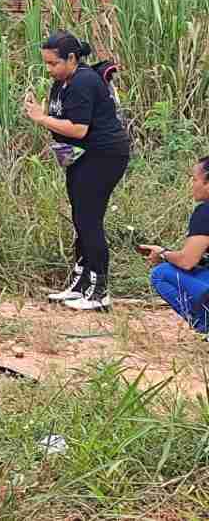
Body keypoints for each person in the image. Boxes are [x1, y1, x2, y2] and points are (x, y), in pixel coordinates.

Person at [23, 31, 130, 311]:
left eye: (53, 63)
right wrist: (44, 116)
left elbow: (79, 129)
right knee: (80, 218)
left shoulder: (84, 81)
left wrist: (41, 118)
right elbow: (61, 123)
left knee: (89, 219)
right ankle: (81, 283)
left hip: (103, 155)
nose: (49, 69)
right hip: (80, 157)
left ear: (71, 58)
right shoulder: (62, 82)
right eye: (46, 63)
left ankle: (100, 291)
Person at [139, 156, 209, 337]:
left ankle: (204, 326)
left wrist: (163, 253)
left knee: (161, 274)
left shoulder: (205, 211)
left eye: (195, 179)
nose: (192, 185)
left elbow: (187, 261)